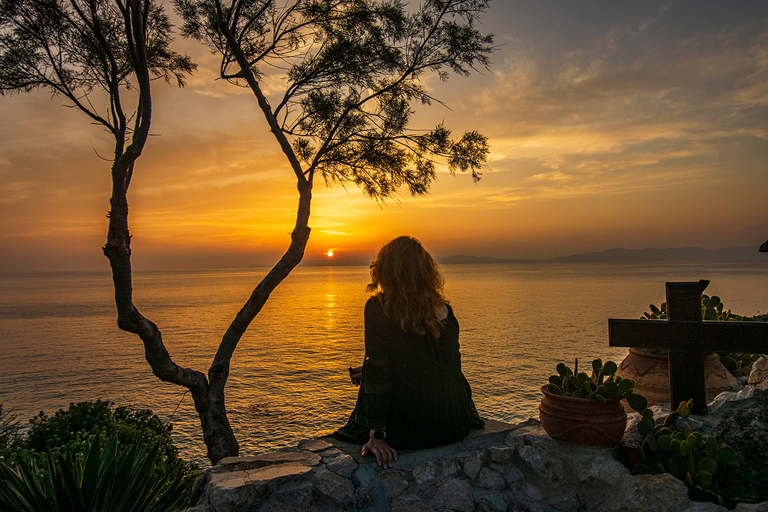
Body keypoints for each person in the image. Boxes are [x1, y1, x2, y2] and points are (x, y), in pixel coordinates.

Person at [333, 236, 483, 468]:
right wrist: (370, 370)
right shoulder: (446, 311)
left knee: (374, 368)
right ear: (426, 272)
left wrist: (376, 436)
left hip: (410, 433)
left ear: (384, 271)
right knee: (371, 368)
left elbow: (381, 371)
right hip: (455, 424)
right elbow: (438, 363)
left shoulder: (377, 309)